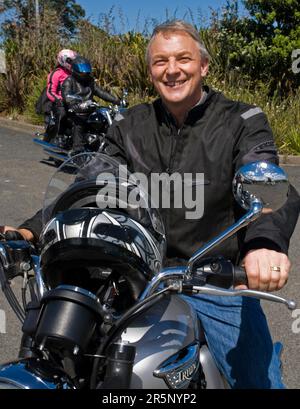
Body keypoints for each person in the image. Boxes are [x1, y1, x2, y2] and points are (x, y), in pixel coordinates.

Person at [1, 20, 300, 388]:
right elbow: (90, 185)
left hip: (213, 283)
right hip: (133, 279)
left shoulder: (241, 120)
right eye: (160, 61)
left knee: (259, 380)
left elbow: (269, 182)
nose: (172, 69)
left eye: (183, 58)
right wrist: (30, 230)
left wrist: (264, 245)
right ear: (151, 71)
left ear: (203, 66)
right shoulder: (129, 124)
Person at [61, 56, 120, 153]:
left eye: (86, 72)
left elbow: (100, 92)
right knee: (78, 124)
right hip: (76, 111)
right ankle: (77, 149)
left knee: (104, 119)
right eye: (82, 72)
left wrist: (116, 100)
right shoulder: (69, 81)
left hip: (90, 108)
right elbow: (67, 95)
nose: (85, 74)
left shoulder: (90, 80)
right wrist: (74, 103)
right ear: (76, 70)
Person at [43, 49, 78, 143]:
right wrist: (59, 100)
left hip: (73, 101)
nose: (72, 63)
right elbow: (50, 92)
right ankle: (59, 136)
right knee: (62, 112)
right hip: (59, 102)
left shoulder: (74, 73)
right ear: (63, 60)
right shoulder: (56, 73)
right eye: (70, 61)